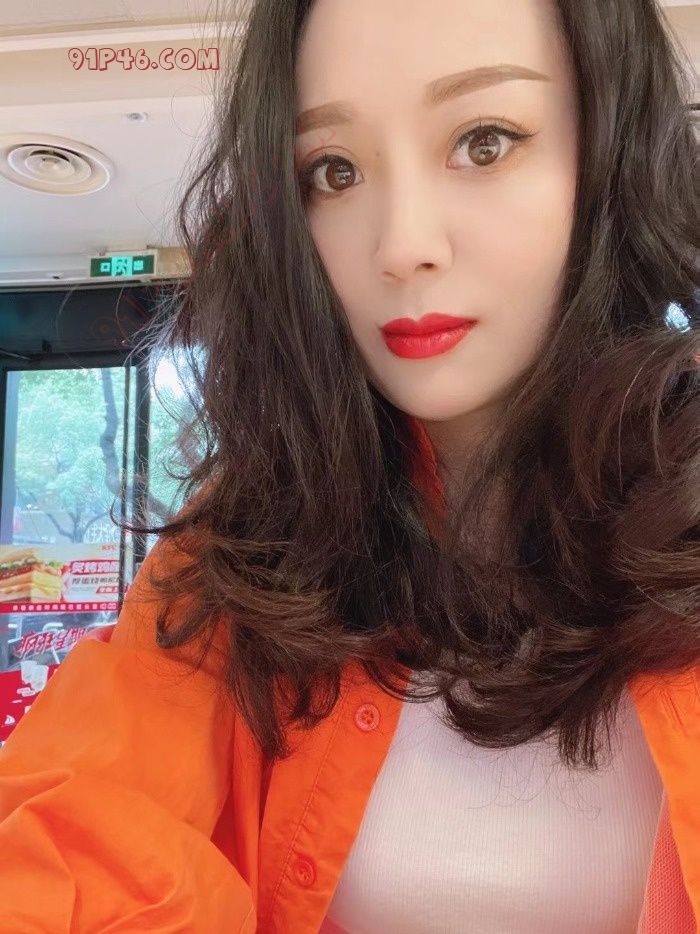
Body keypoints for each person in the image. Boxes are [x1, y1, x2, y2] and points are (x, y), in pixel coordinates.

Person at [1, 0, 698, 931]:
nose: (401, 246)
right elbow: (74, 838)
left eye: (484, 142)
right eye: (334, 170)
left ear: (610, 154)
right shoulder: (242, 559)